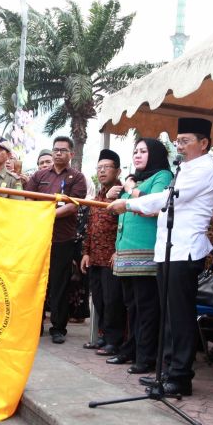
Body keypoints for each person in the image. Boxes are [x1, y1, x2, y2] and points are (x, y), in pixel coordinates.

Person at [108, 118, 213, 396]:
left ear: (204, 143)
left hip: (185, 251)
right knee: (168, 316)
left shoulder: (207, 168)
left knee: (180, 317)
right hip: (170, 250)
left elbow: (168, 199)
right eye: (177, 141)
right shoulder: (185, 168)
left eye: (185, 141)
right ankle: (167, 370)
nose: (179, 146)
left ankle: (180, 375)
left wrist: (128, 203)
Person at [105, 138, 173, 374]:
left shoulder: (162, 175)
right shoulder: (136, 180)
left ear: (154, 154)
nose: (138, 155)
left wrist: (130, 189)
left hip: (146, 251)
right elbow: (123, 216)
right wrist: (117, 248)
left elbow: (153, 207)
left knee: (146, 307)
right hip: (126, 251)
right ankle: (131, 350)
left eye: (143, 151)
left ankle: (146, 357)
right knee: (131, 306)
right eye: (135, 151)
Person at [25, 137, 89, 344]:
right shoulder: (39, 175)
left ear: (71, 153)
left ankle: (58, 327)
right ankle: (35, 324)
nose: (58, 153)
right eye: (55, 150)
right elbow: (28, 198)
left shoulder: (77, 178)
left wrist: (48, 214)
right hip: (38, 237)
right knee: (36, 281)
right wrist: (41, 214)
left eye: (63, 150)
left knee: (59, 283)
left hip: (63, 239)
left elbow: (73, 205)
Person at [81, 149, 127, 355]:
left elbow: (124, 223)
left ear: (117, 170)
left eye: (106, 167)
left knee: (113, 301)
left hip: (111, 256)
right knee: (98, 300)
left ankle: (114, 341)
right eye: (99, 168)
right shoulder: (98, 195)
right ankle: (103, 336)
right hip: (95, 257)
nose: (101, 171)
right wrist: (86, 252)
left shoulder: (123, 193)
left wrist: (119, 251)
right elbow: (91, 226)